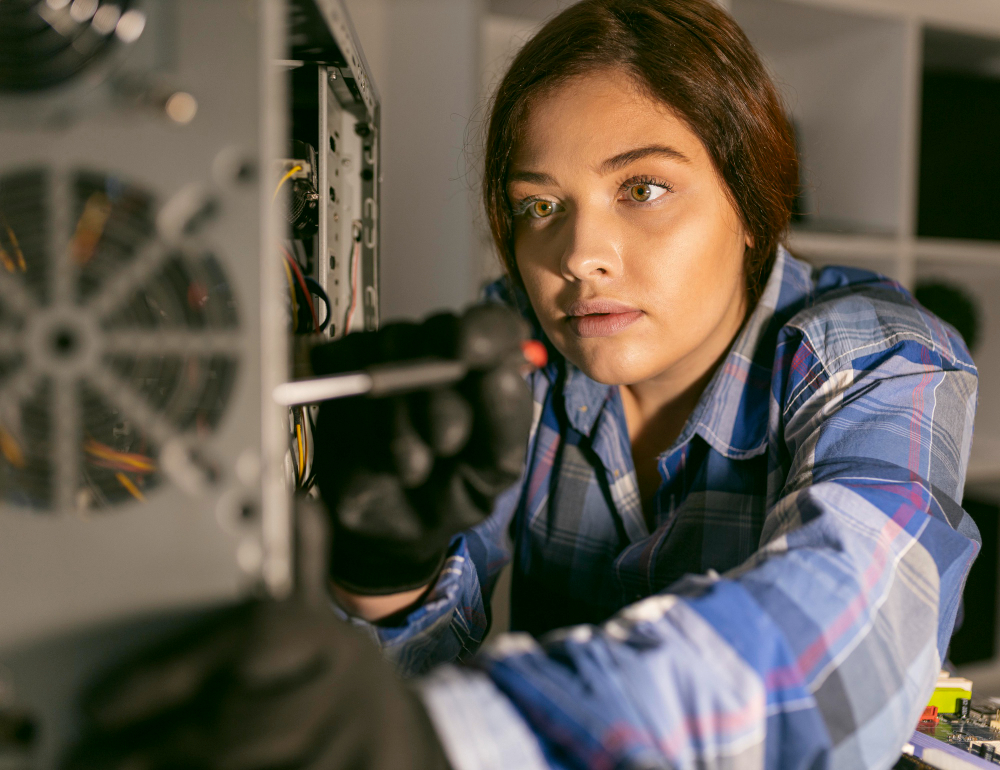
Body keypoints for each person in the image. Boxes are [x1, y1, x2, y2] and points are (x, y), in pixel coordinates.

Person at [70, 0, 980, 768]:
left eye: (643, 189)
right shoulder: (521, 356)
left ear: (752, 204)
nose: (577, 255)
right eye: (538, 206)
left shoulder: (880, 358)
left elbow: (849, 649)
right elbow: (379, 712)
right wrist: (386, 578)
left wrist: (449, 738)